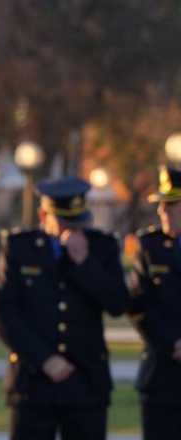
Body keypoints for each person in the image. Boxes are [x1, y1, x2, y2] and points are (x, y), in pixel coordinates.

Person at [0, 176, 127, 440]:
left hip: (86, 382)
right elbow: (6, 314)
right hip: (33, 381)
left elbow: (118, 304)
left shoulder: (102, 247)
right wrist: (45, 359)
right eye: (65, 222)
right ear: (44, 215)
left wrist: (84, 263)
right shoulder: (20, 247)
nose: (72, 230)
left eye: (79, 222)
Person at [128, 166, 181, 440]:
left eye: (171, 205)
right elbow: (138, 306)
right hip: (162, 373)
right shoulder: (150, 247)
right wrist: (173, 342)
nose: (163, 212)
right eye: (161, 205)